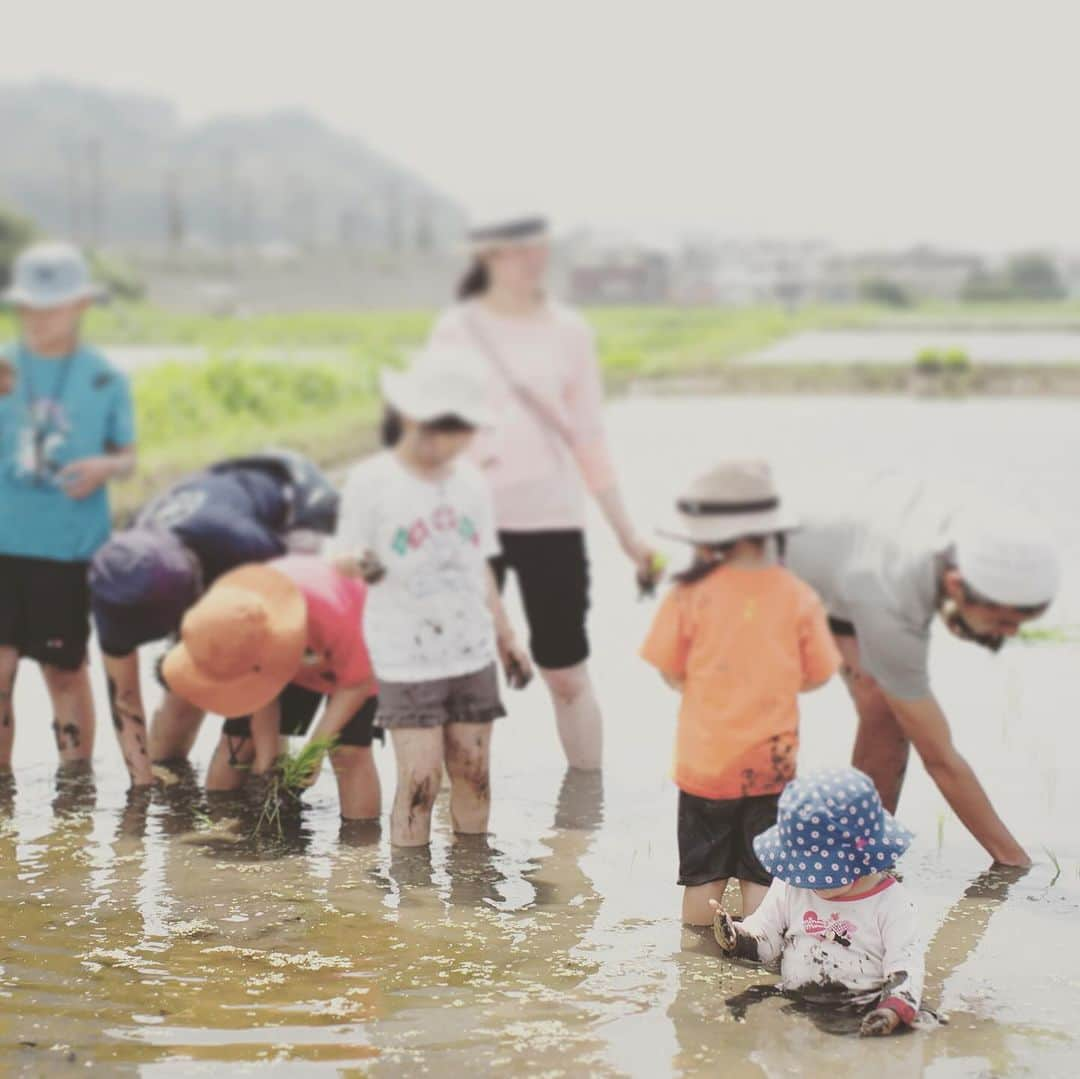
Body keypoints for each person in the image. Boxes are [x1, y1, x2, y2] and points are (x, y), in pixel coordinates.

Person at [427, 213, 655, 771]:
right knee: (461, 671)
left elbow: (589, 438)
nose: (534, 258)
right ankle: (461, 820)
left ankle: (584, 815)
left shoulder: (569, 331)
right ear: (489, 256)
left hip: (552, 520)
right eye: (517, 250)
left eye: (539, 248)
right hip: (470, 522)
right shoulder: (456, 330)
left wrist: (627, 534)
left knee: (566, 669)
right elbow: (432, 433)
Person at [785, 473, 1060, 866]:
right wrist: (1014, 862)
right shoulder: (893, 597)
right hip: (763, 570)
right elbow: (941, 759)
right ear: (956, 584)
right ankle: (749, 860)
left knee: (884, 708)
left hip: (844, 560)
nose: (1010, 633)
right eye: (1002, 621)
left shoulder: (972, 535)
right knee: (760, 726)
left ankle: (861, 854)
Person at [332, 343, 532, 847]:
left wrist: (508, 638)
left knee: (474, 774)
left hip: (470, 649)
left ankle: (471, 885)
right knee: (420, 782)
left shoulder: (471, 483)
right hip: (407, 655)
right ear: (418, 419)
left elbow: (479, 564)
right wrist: (359, 562)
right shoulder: (372, 481)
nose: (460, 441)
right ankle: (413, 908)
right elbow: (338, 556)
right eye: (452, 428)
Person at [640, 461, 840, 926]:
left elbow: (670, 671)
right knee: (763, 877)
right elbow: (819, 675)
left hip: (705, 764)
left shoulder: (690, 594)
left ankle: (696, 968)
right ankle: (758, 962)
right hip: (772, 763)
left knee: (702, 879)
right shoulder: (798, 596)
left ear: (706, 536)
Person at [89, 450, 339, 785]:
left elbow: (273, 640)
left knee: (249, 663)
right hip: (199, 536)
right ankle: (171, 764)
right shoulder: (118, 582)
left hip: (295, 500)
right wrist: (143, 781)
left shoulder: (241, 543)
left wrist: (267, 757)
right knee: (185, 692)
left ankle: (269, 767)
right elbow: (124, 696)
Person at [0, 242, 136, 769]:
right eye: (29, 307)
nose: (39, 318)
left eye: (51, 306)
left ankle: (75, 790)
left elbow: (125, 457)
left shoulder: (104, 377)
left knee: (64, 669)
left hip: (66, 547)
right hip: (2, 541)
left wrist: (104, 468)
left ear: (80, 305)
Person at [159, 557, 381, 821]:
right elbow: (260, 694)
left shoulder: (337, 618)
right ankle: (222, 823)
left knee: (348, 751)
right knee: (238, 745)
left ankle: (359, 849)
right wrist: (268, 765)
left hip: (354, 656)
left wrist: (315, 749)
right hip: (282, 648)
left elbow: (357, 684)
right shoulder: (227, 621)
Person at [711, 768, 924, 1038]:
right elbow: (766, 938)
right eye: (804, 872)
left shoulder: (891, 903)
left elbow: (906, 965)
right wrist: (736, 937)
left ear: (863, 856)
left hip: (861, 1006)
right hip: (797, 1000)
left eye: (825, 874)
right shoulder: (791, 885)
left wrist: (891, 1011)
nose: (813, 882)